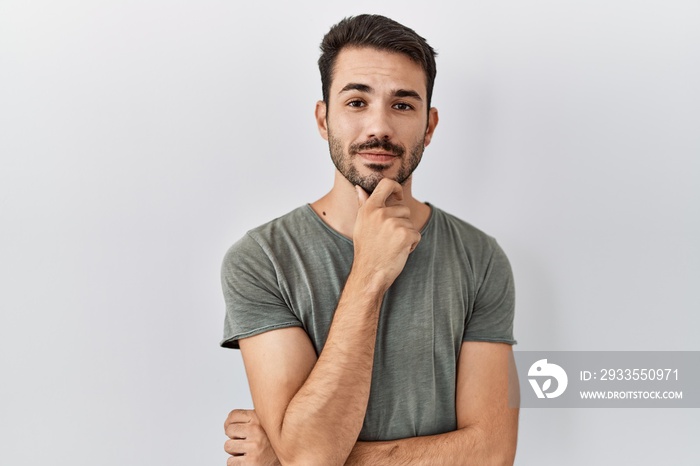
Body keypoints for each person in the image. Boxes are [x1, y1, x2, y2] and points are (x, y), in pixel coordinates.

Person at [220, 14, 519, 466]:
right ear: (324, 119)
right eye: (357, 102)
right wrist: (369, 272)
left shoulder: (480, 258)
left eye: (402, 105)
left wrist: (287, 457)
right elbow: (310, 454)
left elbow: (492, 454)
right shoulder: (262, 260)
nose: (378, 127)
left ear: (430, 126)